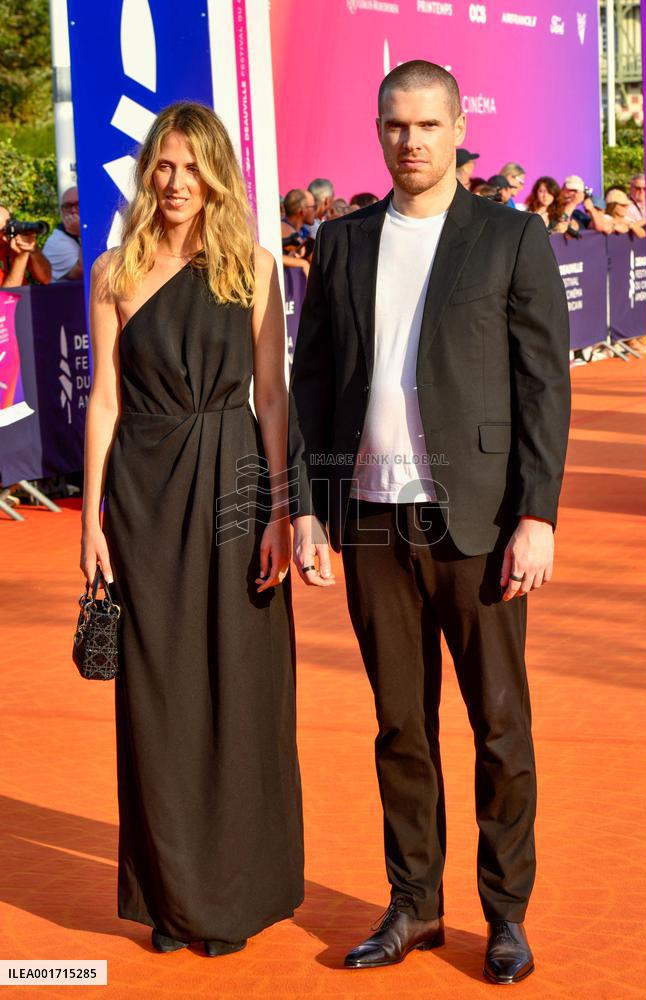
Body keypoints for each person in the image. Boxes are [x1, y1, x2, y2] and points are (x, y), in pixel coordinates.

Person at [289, 59, 570, 984]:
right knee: (400, 727)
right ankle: (414, 904)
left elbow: (543, 388)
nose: (410, 141)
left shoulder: (511, 237)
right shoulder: (341, 243)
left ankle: (506, 914)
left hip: (481, 521)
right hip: (371, 521)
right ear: (378, 131)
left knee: (499, 727)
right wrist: (312, 510)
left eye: (426, 125)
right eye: (394, 125)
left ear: (457, 131)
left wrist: (537, 514)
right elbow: (316, 385)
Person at [81, 100, 304, 956]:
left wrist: (281, 509)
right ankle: (170, 899)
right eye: (163, 167)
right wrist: (92, 521)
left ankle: (235, 895)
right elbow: (103, 401)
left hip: (231, 488)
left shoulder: (251, 266)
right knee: (158, 698)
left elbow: (272, 396)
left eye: (190, 167)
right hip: (141, 498)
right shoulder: (112, 272)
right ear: (149, 174)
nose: (175, 183)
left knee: (239, 693)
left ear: (217, 172)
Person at [0, 205, 51, 286]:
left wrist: (33, 250)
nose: (5, 236)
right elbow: (6, 297)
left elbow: (46, 278)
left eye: (8, 224)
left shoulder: (12, 243)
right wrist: (21, 256)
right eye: (1, 231)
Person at [42, 186, 83, 281]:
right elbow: (81, 272)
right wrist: (82, 233)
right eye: (67, 206)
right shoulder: (57, 242)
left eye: (78, 204)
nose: (73, 211)